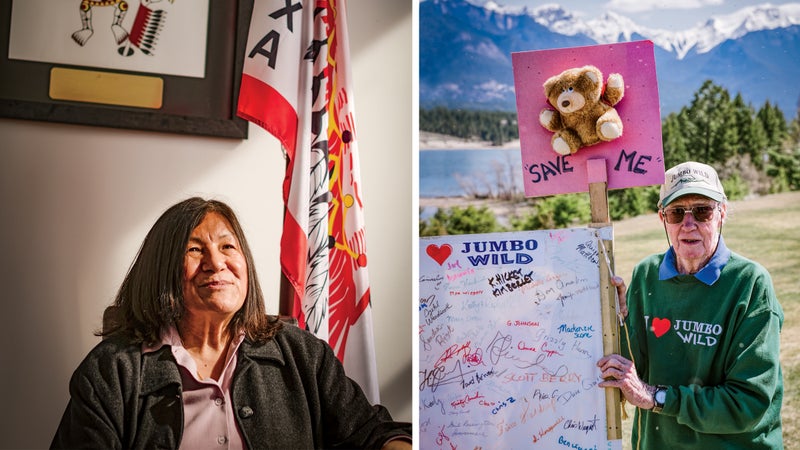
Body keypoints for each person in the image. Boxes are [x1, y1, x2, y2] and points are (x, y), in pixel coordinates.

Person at [51, 197, 412, 449]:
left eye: (227, 247)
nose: (215, 262)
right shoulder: (111, 371)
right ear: (162, 272)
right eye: (194, 250)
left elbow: (371, 432)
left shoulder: (301, 352)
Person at [597, 161, 783, 449]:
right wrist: (617, 322)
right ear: (663, 219)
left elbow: (748, 401)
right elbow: (630, 372)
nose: (688, 223)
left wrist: (658, 397)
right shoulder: (647, 275)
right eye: (676, 212)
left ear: (721, 213)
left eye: (701, 210)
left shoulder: (750, 284)